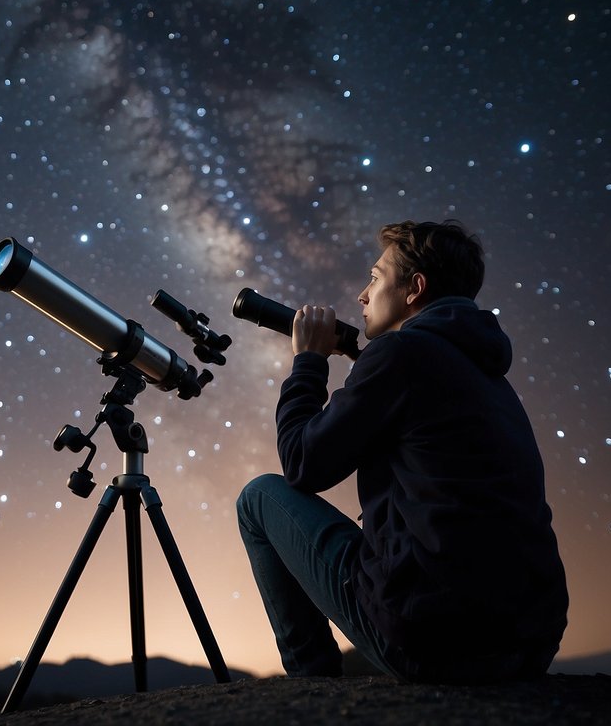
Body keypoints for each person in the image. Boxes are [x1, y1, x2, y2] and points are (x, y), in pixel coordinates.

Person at [237, 220, 568, 683]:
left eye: (375, 277)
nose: (362, 295)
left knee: (259, 498)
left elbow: (302, 464)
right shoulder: (485, 370)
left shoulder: (399, 354)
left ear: (414, 288)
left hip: (434, 639)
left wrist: (309, 362)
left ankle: (313, 686)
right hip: (528, 641)